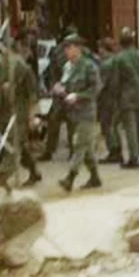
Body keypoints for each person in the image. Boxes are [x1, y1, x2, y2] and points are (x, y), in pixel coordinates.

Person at [0, 42, 42, 192]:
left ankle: (3, 175)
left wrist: (32, 117)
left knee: (14, 144)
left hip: (18, 112)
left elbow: (32, 95)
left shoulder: (20, 68)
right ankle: (34, 171)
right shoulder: (9, 66)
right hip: (10, 112)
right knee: (19, 144)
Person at [58, 34, 103, 192]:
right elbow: (65, 84)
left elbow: (96, 88)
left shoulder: (89, 66)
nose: (66, 51)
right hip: (73, 113)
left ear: (78, 48)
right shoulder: (67, 67)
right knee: (86, 147)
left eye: (69, 47)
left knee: (79, 144)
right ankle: (95, 177)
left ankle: (70, 177)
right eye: (65, 47)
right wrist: (61, 90)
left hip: (86, 112)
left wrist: (79, 96)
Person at [113, 30, 139, 168]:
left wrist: (116, 98)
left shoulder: (119, 58)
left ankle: (133, 158)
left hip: (126, 97)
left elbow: (116, 81)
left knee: (130, 128)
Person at [40, 27, 77, 161]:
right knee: (71, 122)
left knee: (54, 122)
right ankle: (73, 151)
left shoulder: (57, 50)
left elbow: (50, 72)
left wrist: (52, 87)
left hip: (59, 90)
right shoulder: (78, 50)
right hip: (70, 90)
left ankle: (49, 151)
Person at [98, 38, 123, 164]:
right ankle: (117, 150)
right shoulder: (117, 60)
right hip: (117, 96)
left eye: (100, 48)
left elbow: (101, 84)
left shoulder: (106, 64)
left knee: (107, 125)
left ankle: (113, 151)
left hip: (107, 98)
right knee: (114, 125)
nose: (99, 51)